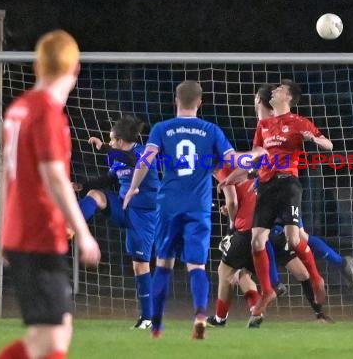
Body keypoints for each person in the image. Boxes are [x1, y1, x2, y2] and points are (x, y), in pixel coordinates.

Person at [123, 80, 265, 339]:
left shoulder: (162, 128)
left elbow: (146, 159)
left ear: (176, 100)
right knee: (197, 266)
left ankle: (156, 325)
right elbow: (235, 160)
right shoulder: (210, 130)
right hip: (198, 208)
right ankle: (200, 316)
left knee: (164, 264)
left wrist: (133, 187)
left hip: (168, 206)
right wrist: (255, 154)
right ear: (200, 102)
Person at [0, 30, 101, 359]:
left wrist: (4, 231)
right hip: (38, 234)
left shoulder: (19, 109)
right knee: (54, 337)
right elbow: (55, 179)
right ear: (76, 69)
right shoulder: (46, 113)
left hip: (21, 233)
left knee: (51, 333)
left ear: (36, 66)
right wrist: (84, 234)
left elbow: (6, 178)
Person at [209, 163, 334, 329]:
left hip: (250, 232)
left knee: (227, 272)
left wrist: (232, 227)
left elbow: (233, 202)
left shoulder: (224, 171)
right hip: (273, 229)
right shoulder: (249, 171)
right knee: (300, 271)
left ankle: (222, 318)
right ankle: (319, 313)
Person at [248, 79, 334, 320]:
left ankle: (316, 278)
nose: (274, 91)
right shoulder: (263, 124)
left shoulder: (298, 122)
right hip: (266, 186)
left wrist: (314, 139)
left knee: (293, 238)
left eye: (280, 89)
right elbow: (256, 153)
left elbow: (328, 144)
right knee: (257, 242)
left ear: (288, 98)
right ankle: (267, 291)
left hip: (288, 183)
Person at [74, 115, 159, 330]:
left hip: (144, 215)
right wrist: (82, 185)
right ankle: (71, 226)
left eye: (112, 140)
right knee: (95, 194)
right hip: (123, 207)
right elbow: (110, 179)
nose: (110, 143)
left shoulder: (143, 153)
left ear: (120, 141)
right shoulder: (118, 158)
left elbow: (134, 162)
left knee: (140, 265)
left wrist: (103, 148)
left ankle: (147, 318)